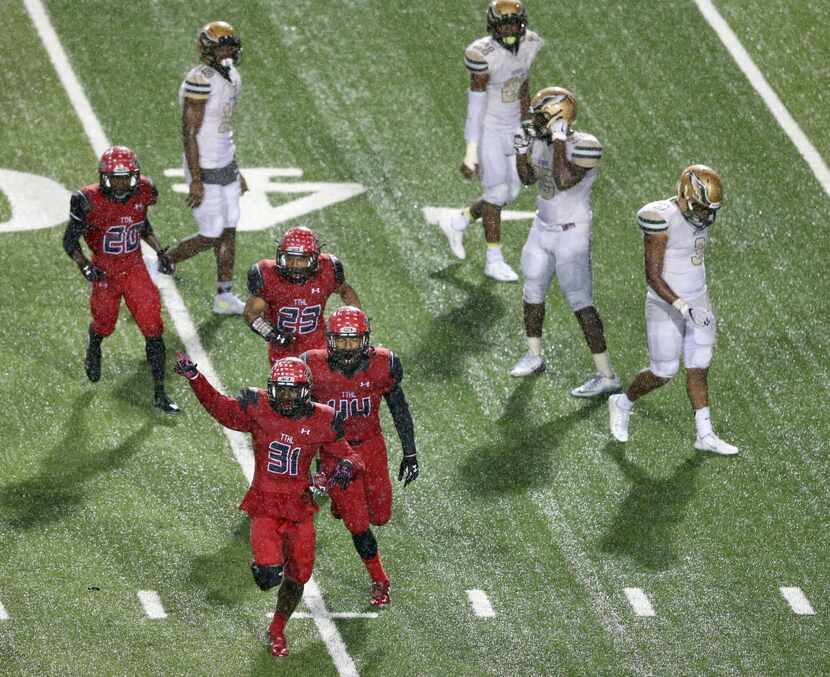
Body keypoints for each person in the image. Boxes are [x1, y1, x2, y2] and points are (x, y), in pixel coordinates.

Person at [174, 353, 363, 657]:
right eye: (281, 389)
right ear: (272, 388)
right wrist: (197, 379)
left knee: (299, 577)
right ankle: (265, 568)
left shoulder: (322, 418)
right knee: (267, 579)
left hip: (300, 508)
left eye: (292, 390)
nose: (286, 397)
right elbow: (222, 410)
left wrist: (342, 470)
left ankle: (277, 628)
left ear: (305, 391)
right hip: (264, 505)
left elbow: (353, 458)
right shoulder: (258, 407)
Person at [608, 165, 738, 455]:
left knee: (699, 365)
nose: (705, 215)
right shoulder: (660, 219)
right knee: (663, 371)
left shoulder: (696, 214)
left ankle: (704, 434)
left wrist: (694, 306)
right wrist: (683, 307)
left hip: (698, 299)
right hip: (666, 303)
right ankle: (622, 402)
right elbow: (653, 277)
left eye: (709, 209)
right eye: (701, 207)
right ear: (686, 195)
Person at [301, 306, 419, 606]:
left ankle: (343, 504)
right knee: (359, 524)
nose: (348, 348)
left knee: (380, 516)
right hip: (336, 452)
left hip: (371, 446)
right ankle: (380, 580)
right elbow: (303, 421)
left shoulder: (383, 364)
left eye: (353, 342)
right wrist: (307, 464)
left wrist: (410, 451)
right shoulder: (312, 366)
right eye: (341, 341)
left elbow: (399, 407)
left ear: (365, 341)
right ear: (329, 340)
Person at [509, 87, 620, 397]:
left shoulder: (585, 145)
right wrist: (521, 151)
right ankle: (534, 355)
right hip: (542, 226)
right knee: (532, 291)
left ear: (560, 117)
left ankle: (607, 374)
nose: (535, 121)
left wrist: (558, 140)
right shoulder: (545, 141)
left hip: (572, 233)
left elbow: (563, 179)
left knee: (581, 303)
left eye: (541, 116)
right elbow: (529, 179)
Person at [63, 145, 179, 413]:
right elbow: (69, 240)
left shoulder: (145, 191)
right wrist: (85, 266)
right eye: (114, 178)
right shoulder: (87, 199)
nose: (120, 183)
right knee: (105, 324)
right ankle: (94, 344)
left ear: (135, 176)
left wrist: (160, 251)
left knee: (153, 328)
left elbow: (141, 225)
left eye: (125, 177)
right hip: (105, 270)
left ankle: (160, 391)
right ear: (103, 177)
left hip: (134, 268)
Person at [438, 0, 543, 282]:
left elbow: (523, 86)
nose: (509, 29)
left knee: (510, 192)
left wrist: (527, 125)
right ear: (493, 26)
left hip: (514, 126)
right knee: (496, 194)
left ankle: (459, 220)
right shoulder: (482, 55)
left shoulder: (530, 43)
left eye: (513, 23)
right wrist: (471, 150)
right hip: (489, 129)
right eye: (503, 24)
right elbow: (476, 105)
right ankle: (493, 259)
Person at [162, 21, 248, 315]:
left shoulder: (232, 76)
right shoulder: (200, 78)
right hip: (205, 164)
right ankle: (165, 261)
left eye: (231, 44)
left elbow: (223, 129)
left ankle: (224, 295)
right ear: (209, 49)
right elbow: (189, 130)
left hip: (225, 161)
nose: (230, 50)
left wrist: (237, 169)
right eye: (224, 45)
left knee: (229, 230)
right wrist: (196, 178)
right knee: (212, 232)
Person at [244, 226, 361, 364]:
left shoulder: (327, 270)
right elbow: (250, 314)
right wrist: (272, 334)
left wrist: (356, 320)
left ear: (314, 258)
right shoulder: (269, 277)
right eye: (289, 258)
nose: (294, 265)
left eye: (301, 259)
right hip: (283, 351)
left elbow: (345, 290)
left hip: (320, 346)